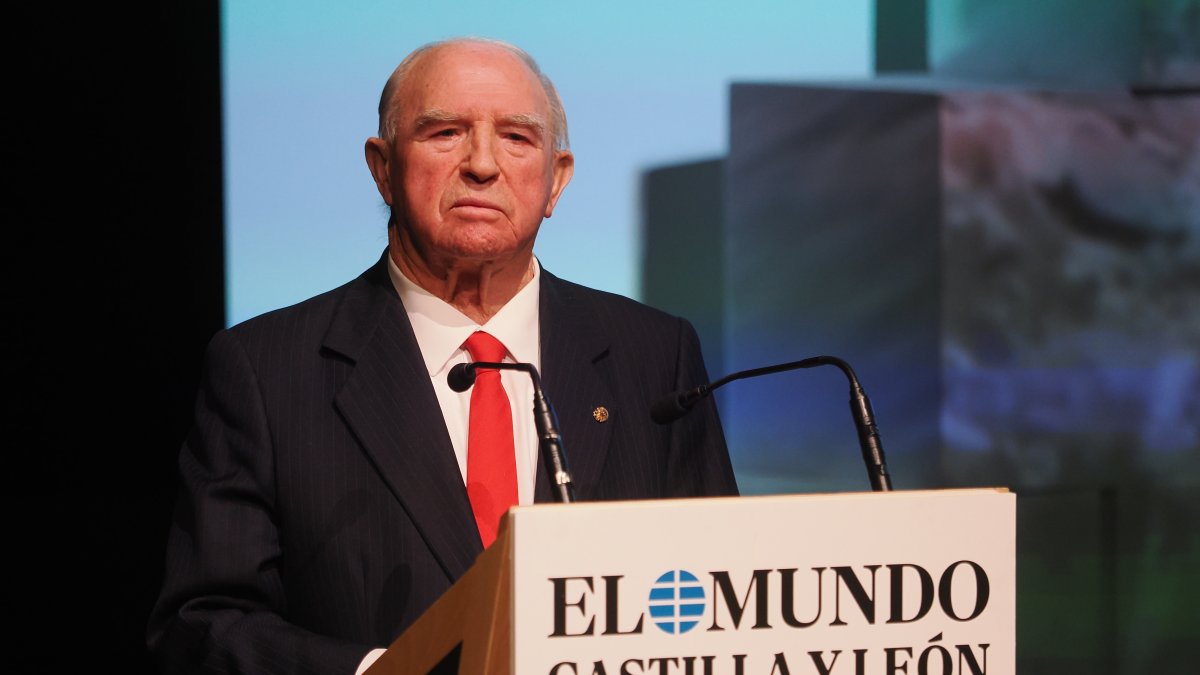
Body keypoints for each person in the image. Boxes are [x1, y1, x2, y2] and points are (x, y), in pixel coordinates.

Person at [147, 37, 737, 674]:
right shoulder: (266, 370)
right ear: (382, 168)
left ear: (556, 180)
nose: (482, 164)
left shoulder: (655, 354)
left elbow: (730, 596)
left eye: (517, 137)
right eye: (445, 133)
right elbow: (202, 625)